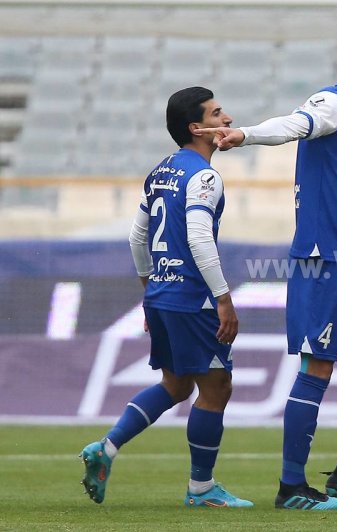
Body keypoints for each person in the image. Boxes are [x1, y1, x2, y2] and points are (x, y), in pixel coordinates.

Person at [197, 29, 337, 511]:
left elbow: (336, 184)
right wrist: (243, 134)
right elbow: (295, 124)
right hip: (324, 260)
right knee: (319, 364)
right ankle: (291, 487)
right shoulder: (334, 103)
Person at [80, 87, 252, 508]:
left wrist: (149, 288)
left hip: (161, 294)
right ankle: (202, 488)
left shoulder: (160, 171)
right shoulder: (205, 176)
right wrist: (224, 299)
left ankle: (107, 448)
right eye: (216, 113)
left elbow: (137, 235)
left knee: (176, 385)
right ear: (197, 128)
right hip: (193, 299)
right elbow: (196, 235)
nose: (226, 118)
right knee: (217, 387)